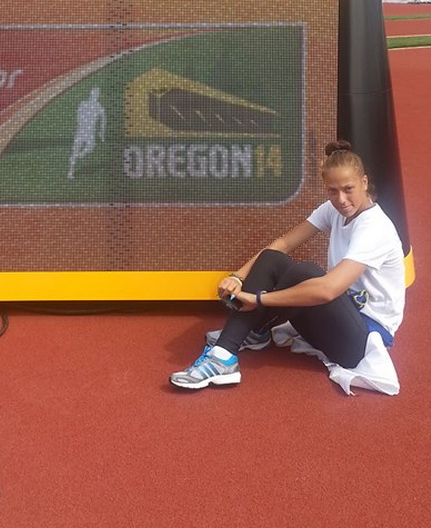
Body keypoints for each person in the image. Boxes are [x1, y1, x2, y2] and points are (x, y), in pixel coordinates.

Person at [169, 140, 406, 396]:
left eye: (348, 189)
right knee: (272, 258)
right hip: (337, 318)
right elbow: (282, 244)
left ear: (364, 182)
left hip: (363, 339)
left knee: (307, 274)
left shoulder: (375, 228)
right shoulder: (334, 210)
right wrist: (238, 277)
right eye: (332, 191)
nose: (341, 199)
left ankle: (233, 345)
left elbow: (328, 290)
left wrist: (260, 299)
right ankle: (230, 351)